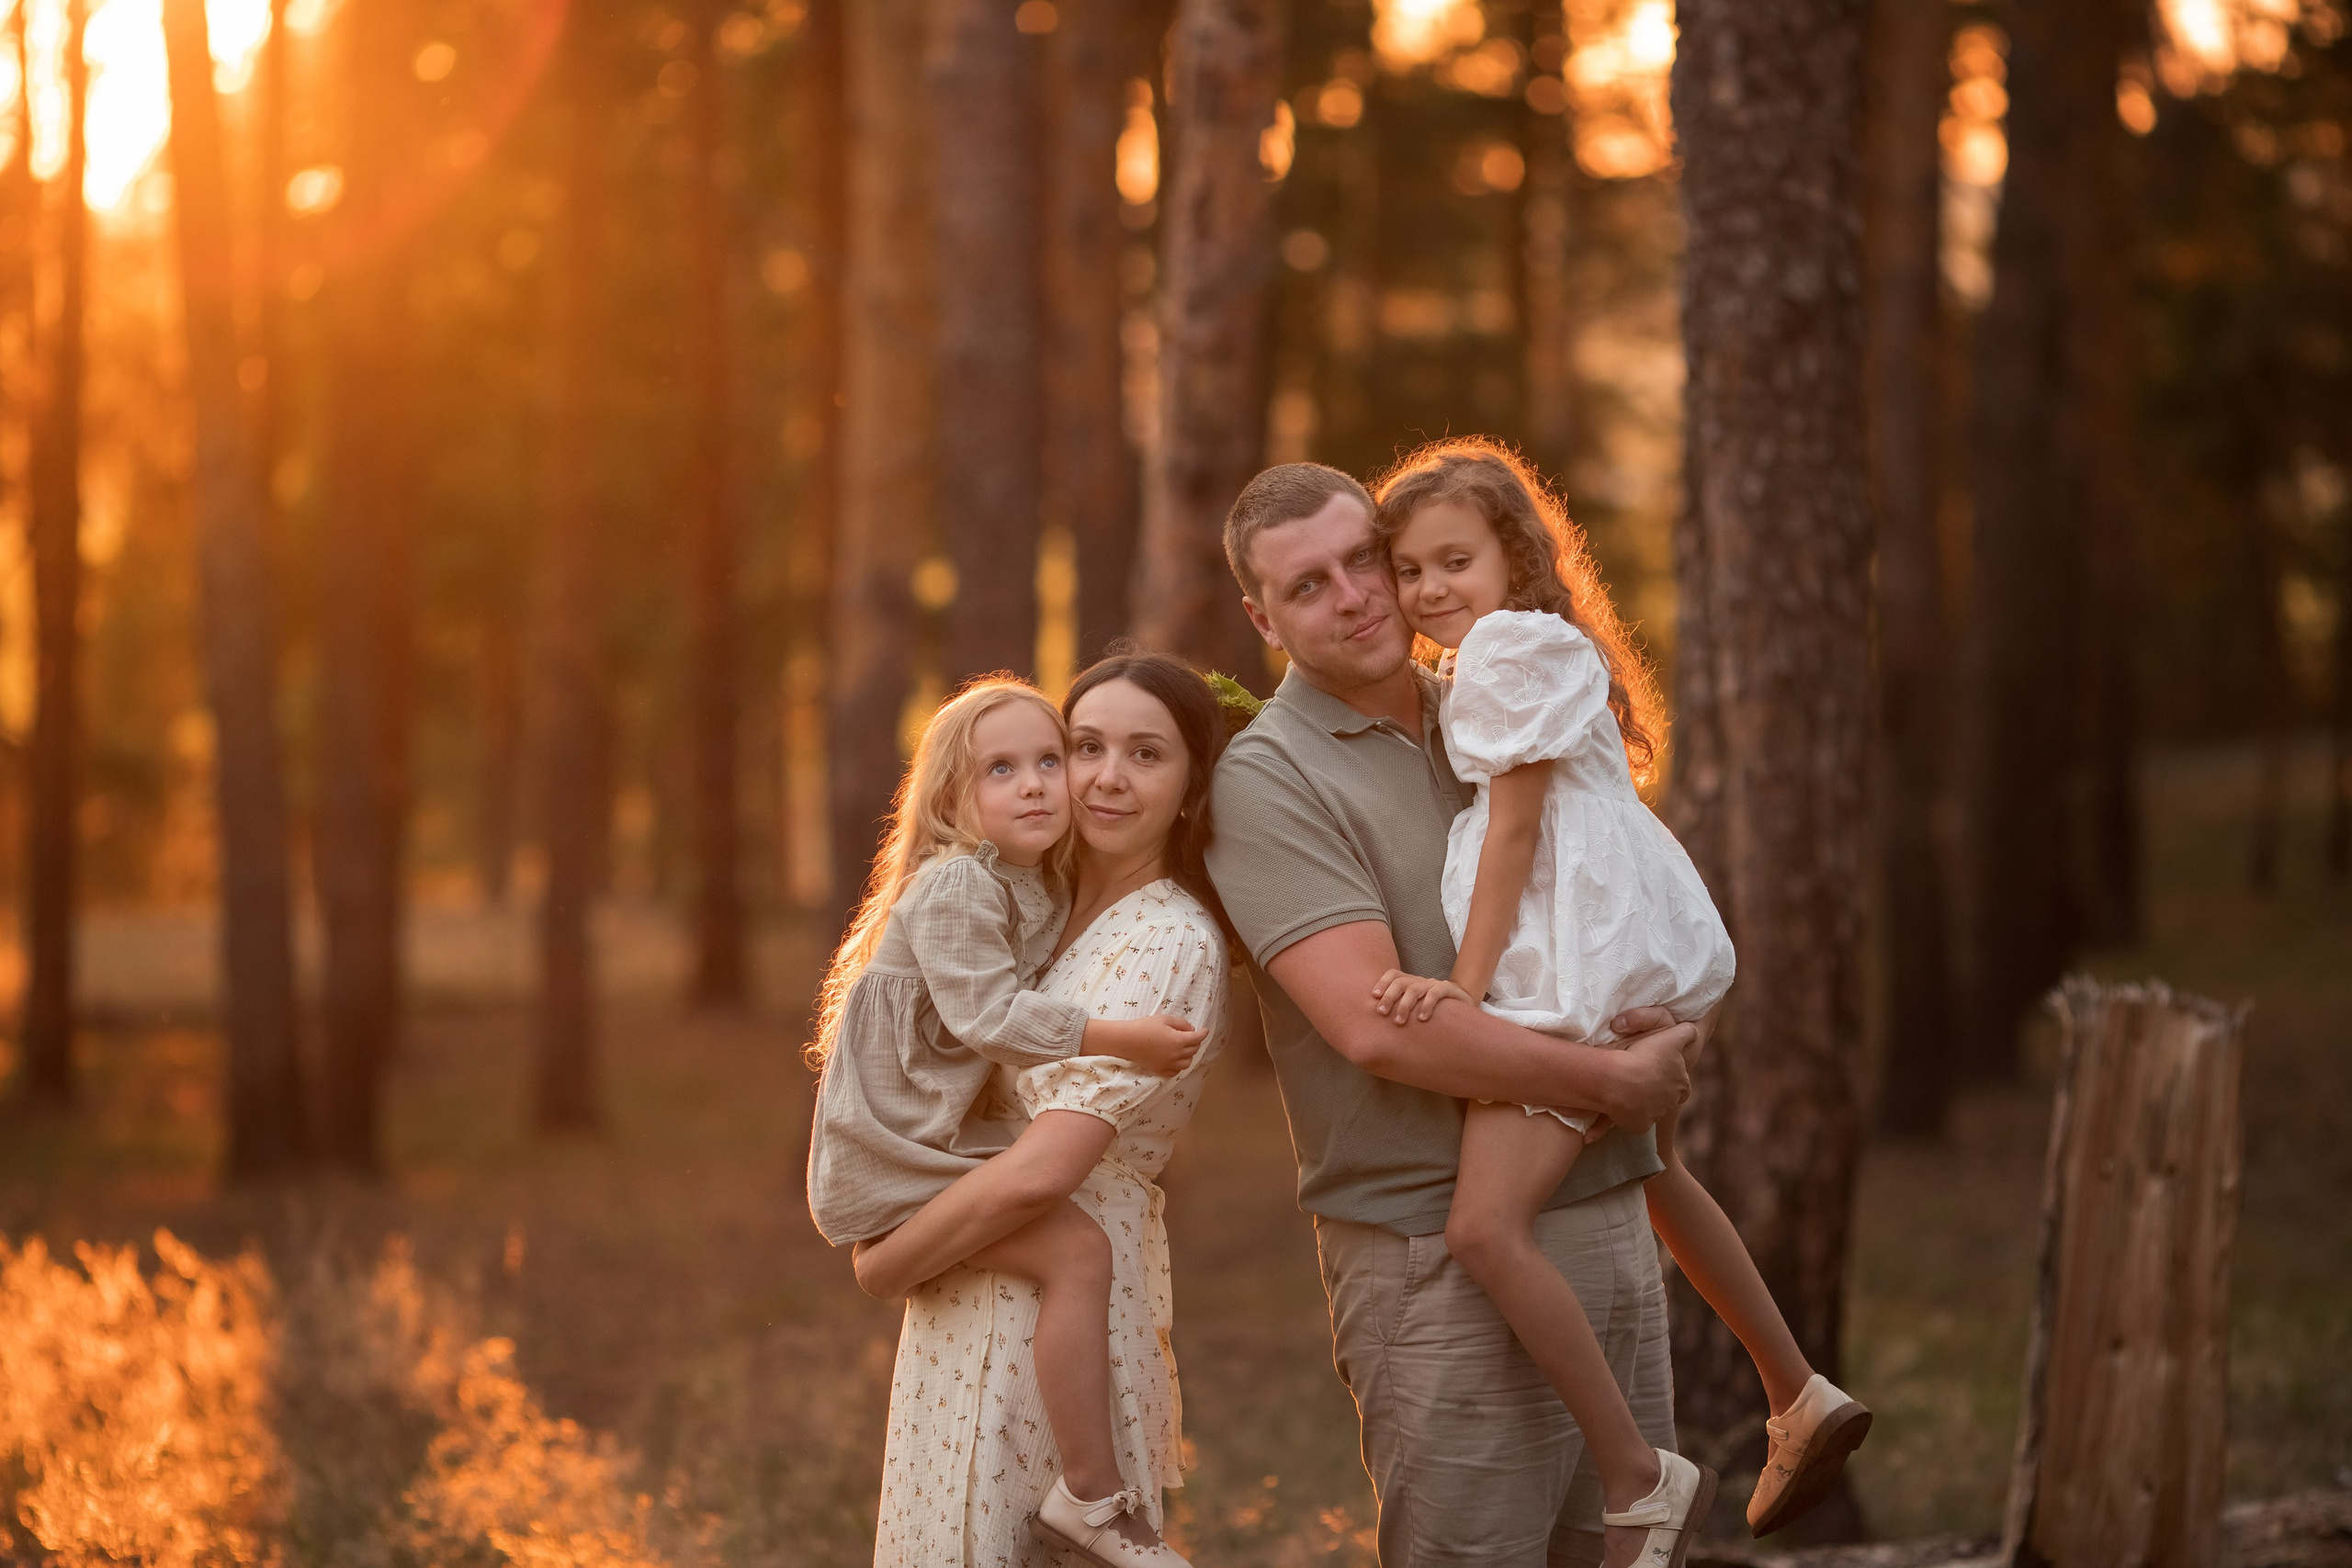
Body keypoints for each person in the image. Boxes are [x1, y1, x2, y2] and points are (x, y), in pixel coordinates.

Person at [1367, 438, 1871, 1558]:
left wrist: (1464, 984)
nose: (1429, 589)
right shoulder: (1534, 646)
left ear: (1516, 555)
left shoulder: (1505, 650)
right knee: (1655, 1168)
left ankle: (1635, 1476)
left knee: (1486, 1229)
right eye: (1406, 570)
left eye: (1454, 560)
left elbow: (1514, 830)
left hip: (1567, 964)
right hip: (1626, 945)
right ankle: (1796, 1392)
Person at [1202, 462, 1698, 1568]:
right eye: (1309, 584)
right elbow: (1377, 1028)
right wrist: (1615, 1082)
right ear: (1264, 618)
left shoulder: (1493, 697)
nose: (1356, 595)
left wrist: (1663, 1019)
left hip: (1603, 1211)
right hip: (1434, 1249)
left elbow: (1606, 898)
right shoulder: (1269, 780)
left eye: (1362, 560)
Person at [846, 654, 1239, 1568]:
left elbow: (1052, 1166)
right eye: (1084, 747)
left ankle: (1089, 1492)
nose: (1104, 776)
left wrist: (887, 1258)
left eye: (1145, 755)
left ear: (1190, 789)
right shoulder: (1028, 901)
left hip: (1044, 1290)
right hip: (973, 1272)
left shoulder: (1167, 933)